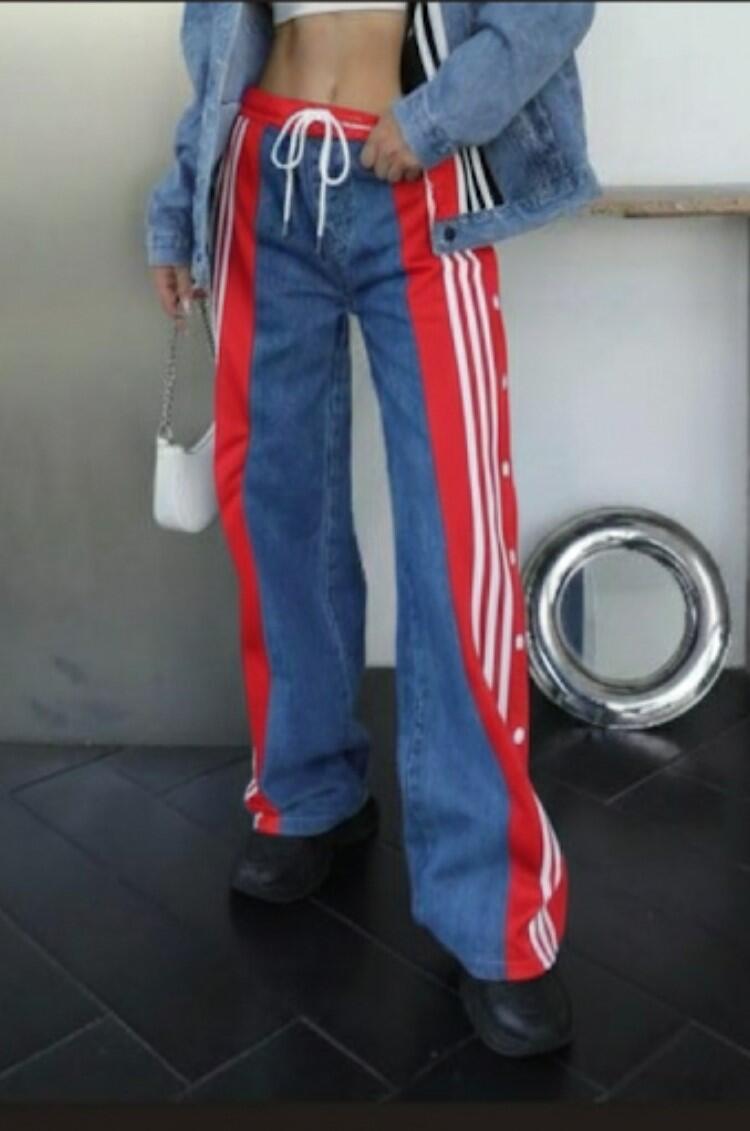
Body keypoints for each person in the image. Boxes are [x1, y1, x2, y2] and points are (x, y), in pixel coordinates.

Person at [145, 0, 600, 1059]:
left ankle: (494, 912)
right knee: (277, 509)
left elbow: (550, 11)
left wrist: (436, 118)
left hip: (420, 179)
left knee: (458, 541)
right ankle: (307, 791)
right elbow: (217, 41)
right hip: (262, 175)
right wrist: (179, 205)